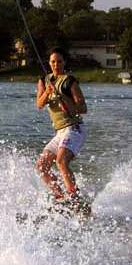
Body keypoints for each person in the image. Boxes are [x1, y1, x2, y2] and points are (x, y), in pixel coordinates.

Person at [36, 47, 88, 206]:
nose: (56, 64)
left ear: (64, 62)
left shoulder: (69, 81)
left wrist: (65, 99)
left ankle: (75, 198)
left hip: (74, 129)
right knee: (41, 166)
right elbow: (39, 104)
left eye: (59, 61)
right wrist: (48, 92)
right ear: (49, 63)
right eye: (53, 62)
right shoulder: (44, 80)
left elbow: (83, 108)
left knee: (61, 161)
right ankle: (60, 198)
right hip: (60, 132)